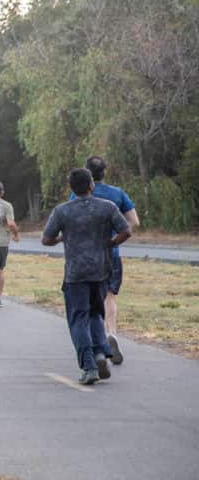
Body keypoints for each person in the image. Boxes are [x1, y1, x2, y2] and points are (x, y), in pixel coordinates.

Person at [43, 168, 132, 385]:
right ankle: (101, 354)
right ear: (91, 185)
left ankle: (89, 366)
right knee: (95, 315)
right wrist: (110, 244)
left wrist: (61, 238)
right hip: (101, 270)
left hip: (75, 273)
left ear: (71, 188)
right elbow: (126, 230)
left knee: (78, 319)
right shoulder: (107, 207)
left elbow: (46, 239)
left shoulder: (62, 211)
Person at [74, 156, 140, 365]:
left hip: (85, 256)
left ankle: (99, 342)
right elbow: (134, 222)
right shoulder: (117, 194)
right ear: (105, 172)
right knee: (109, 295)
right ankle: (112, 334)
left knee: (91, 299)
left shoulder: (78, 194)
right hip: (111, 253)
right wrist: (114, 239)